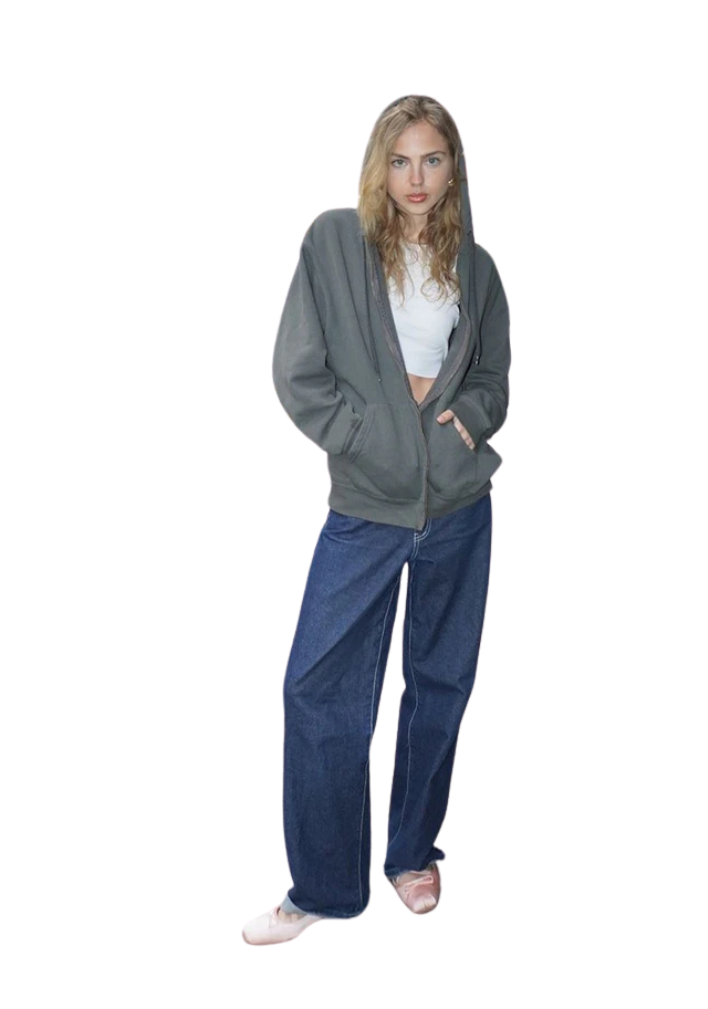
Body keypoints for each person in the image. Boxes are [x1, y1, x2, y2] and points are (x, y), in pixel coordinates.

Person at [242, 94, 512, 945]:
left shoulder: (475, 267)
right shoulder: (334, 242)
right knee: (316, 687)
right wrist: (364, 434)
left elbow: (493, 375)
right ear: (378, 167)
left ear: (452, 168)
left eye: (431, 159)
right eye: (400, 161)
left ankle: (410, 852)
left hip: (458, 507)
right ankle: (323, 885)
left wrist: (466, 417)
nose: (415, 178)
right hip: (366, 506)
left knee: (439, 685)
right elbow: (297, 369)